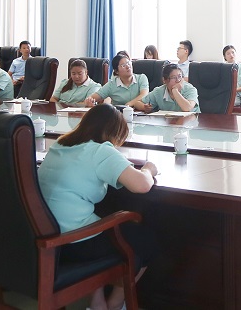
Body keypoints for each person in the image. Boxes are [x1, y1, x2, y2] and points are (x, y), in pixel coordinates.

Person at [38, 104, 158, 310]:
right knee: (144, 242)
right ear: (113, 133)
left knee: (103, 219)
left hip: (45, 238)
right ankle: (116, 302)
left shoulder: (60, 144)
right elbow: (142, 185)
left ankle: (97, 302)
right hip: (74, 243)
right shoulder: (101, 150)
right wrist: (148, 169)